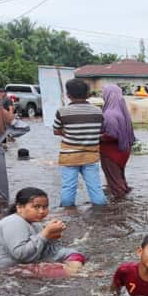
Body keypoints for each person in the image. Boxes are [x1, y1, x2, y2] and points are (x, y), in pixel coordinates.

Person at [0, 187, 86, 276]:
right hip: (0, 271)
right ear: (19, 207)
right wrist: (45, 234)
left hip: (17, 265)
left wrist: (52, 237)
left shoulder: (35, 223)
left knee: (75, 256)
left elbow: (44, 251)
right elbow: (21, 254)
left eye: (45, 207)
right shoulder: (14, 222)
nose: (42, 211)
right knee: (71, 273)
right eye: (36, 207)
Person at [53, 78, 106, 207]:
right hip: (91, 155)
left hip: (69, 156)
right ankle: (101, 214)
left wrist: (70, 133)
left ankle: (68, 215)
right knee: (95, 188)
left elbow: (56, 131)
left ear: (68, 95)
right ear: (88, 94)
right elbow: (100, 131)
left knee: (68, 187)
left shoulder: (62, 111)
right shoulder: (98, 111)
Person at [100, 85, 135, 198]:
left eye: (103, 93)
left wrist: (96, 137)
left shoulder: (109, 114)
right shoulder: (123, 112)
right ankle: (126, 196)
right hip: (124, 150)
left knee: (114, 180)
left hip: (111, 152)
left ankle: (120, 206)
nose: (102, 95)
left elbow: (112, 135)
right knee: (119, 177)